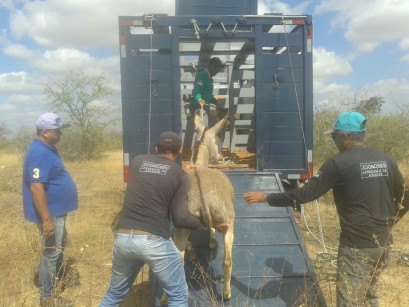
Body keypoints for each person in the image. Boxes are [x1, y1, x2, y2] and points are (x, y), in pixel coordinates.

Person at [243, 112, 405, 307]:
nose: (333, 140)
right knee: (369, 296)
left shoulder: (338, 163)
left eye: (334, 136)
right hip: (383, 244)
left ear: (345, 136)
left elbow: (304, 195)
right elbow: (404, 196)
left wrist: (267, 197)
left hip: (357, 246)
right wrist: (389, 223)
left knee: (350, 302)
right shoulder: (385, 160)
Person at [100, 131, 229, 307]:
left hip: (123, 238)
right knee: (177, 296)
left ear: (156, 148)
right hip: (153, 241)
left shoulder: (138, 161)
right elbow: (180, 219)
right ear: (181, 150)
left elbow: (154, 177)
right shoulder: (180, 176)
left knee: (114, 294)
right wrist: (209, 224)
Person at [22, 112, 77, 307]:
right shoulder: (39, 152)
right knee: (50, 253)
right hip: (50, 214)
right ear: (45, 132)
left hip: (56, 211)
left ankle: (55, 285)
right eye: (57, 131)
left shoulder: (47, 148)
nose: (61, 134)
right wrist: (46, 220)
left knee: (55, 252)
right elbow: (36, 187)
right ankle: (47, 299)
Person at [183, 57, 225, 160]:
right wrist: (199, 99)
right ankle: (196, 158)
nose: (217, 71)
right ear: (211, 66)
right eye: (217, 69)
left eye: (219, 70)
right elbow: (196, 91)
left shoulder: (210, 78)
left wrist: (215, 101)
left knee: (217, 128)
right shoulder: (202, 75)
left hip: (205, 108)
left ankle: (213, 155)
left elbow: (208, 95)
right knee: (202, 132)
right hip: (198, 108)